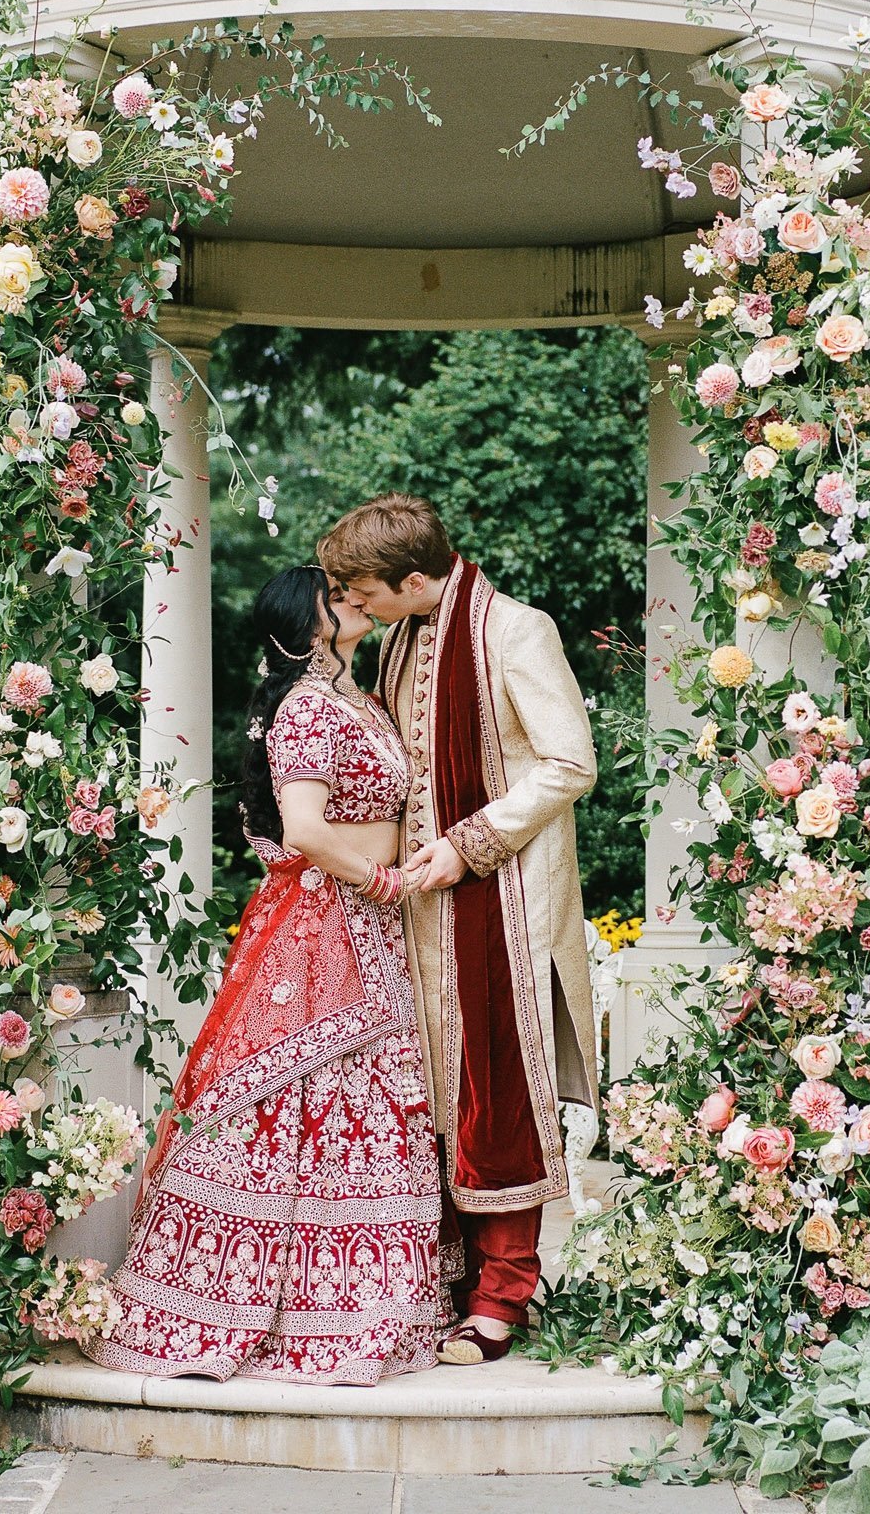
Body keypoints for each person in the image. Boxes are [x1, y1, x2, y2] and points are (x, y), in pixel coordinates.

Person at [84, 566, 443, 1383]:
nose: (353, 599)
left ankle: (366, 1297)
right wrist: (382, 881)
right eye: (334, 595)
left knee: (373, 1096)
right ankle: (264, 1303)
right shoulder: (309, 706)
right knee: (306, 1098)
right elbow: (307, 830)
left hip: (372, 922)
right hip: (330, 919)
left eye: (352, 592)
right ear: (304, 623)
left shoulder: (363, 699)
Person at [319, 495, 598, 1365]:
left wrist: (470, 844)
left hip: (500, 898)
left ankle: (503, 1296)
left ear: (412, 578)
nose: (354, 606)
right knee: (431, 1090)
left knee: (499, 1087)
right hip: (417, 902)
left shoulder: (517, 631)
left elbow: (570, 761)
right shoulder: (401, 635)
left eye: (363, 591)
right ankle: (442, 1275)